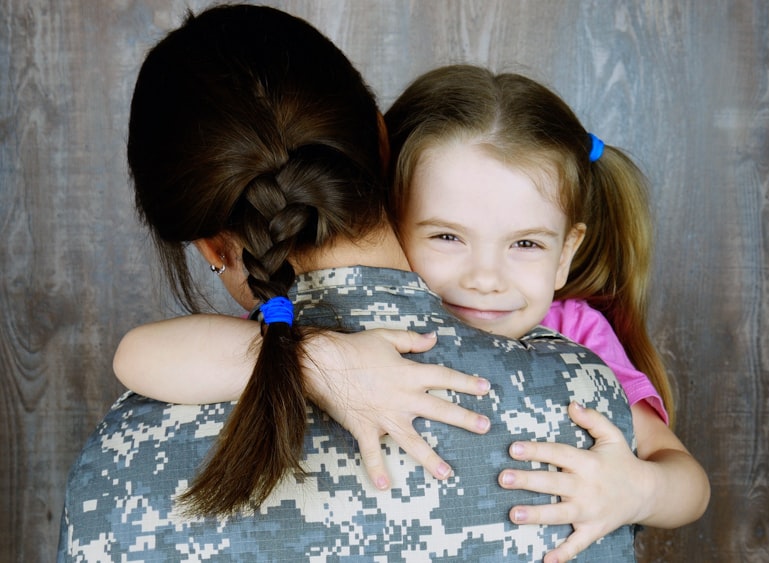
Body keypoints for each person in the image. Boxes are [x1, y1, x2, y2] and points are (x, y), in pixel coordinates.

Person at [58, 5, 636, 561]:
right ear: (385, 147)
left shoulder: (120, 454)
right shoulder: (585, 405)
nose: (485, 279)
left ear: (209, 243)